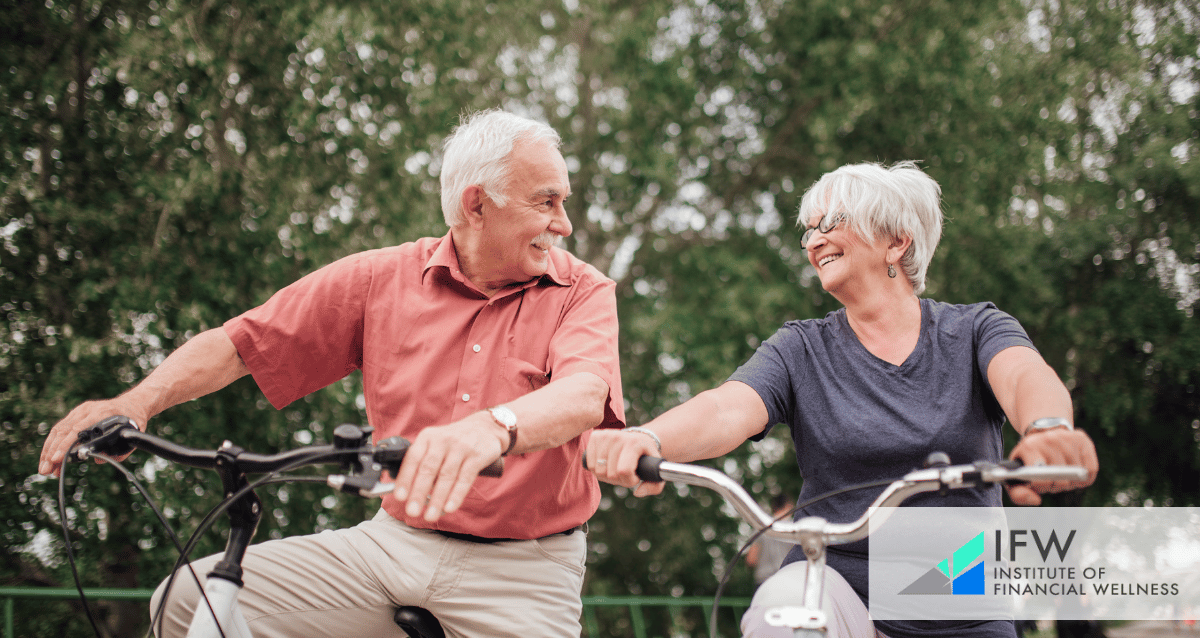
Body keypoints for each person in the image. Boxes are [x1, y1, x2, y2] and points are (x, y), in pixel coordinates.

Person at [38, 109, 626, 638]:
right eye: (545, 202)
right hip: (391, 546)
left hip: (523, 571)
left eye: (562, 202)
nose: (564, 224)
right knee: (188, 601)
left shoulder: (583, 291)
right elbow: (243, 344)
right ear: (476, 205)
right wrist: (138, 402)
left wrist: (492, 427)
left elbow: (582, 396)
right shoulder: (380, 278)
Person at [586, 161, 1099, 638]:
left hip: (961, 594)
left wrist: (1048, 427)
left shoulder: (974, 330)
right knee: (784, 610)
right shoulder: (801, 348)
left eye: (831, 221)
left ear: (897, 241)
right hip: (840, 587)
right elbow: (726, 408)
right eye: (809, 229)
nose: (814, 240)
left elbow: (1023, 376)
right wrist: (649, 438)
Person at [745, 493, 793, 586]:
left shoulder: (760, 527)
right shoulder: (795, 528)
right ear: (788, 506)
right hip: (787, 580)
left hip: (763, 582)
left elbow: (751, 560)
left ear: (773, 507)